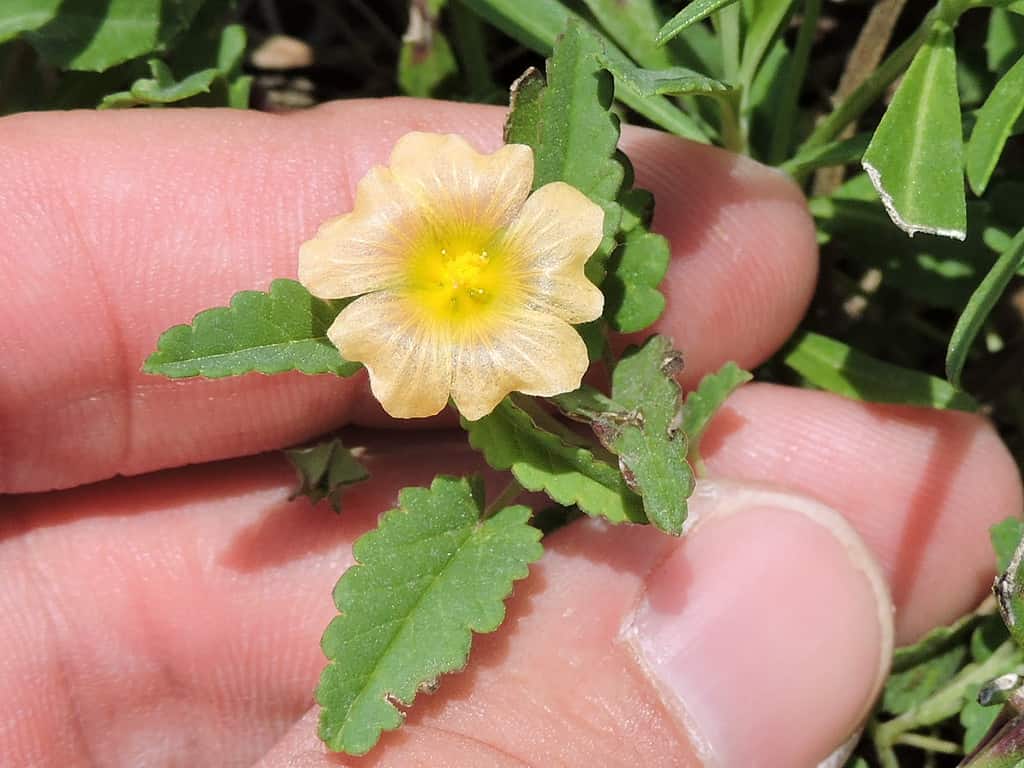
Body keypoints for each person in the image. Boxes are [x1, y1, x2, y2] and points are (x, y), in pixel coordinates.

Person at [1, 98, 1020, 768]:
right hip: (479, 365)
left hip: (532, 341)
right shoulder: (401, 314)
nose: (457, 270)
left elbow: (565, 321)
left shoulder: (543, 251)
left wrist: (643, 461)